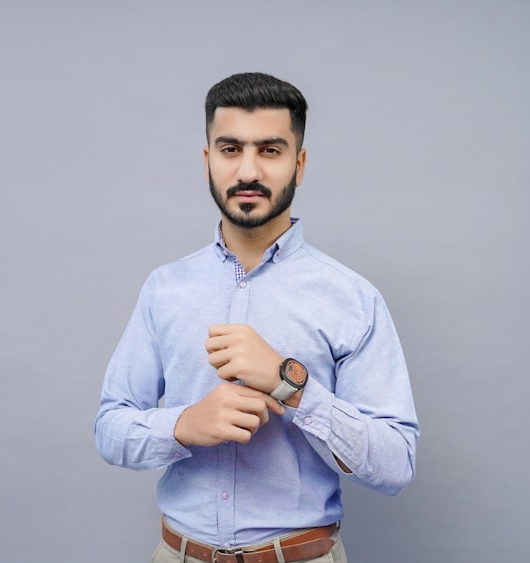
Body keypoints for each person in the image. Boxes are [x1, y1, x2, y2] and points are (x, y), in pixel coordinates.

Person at [95, 72, 418, 563]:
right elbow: (110, 428)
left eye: (270, 150)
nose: (248, 171)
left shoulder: (352, 298)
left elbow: (395, 463)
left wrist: (292, 386)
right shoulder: (165, 289)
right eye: (230, 150)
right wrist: (183, 424)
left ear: (299, 164)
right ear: (208, 160)